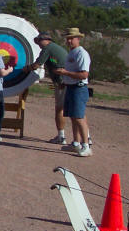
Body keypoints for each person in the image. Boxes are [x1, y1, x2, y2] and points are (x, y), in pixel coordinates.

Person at [55, 28, 93, 157]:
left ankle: (86, 145)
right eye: (68, 39)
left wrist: (65, 73)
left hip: (79, 88)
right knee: (73, 116)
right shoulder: (71, 53)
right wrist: (65, 81)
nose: (69, 41)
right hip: (70, 87)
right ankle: (76, 143)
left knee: (79, 117)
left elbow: (84, 74)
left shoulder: (81, 53)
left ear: (78, 39)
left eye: (72, 38)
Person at [25, 32, 68, 144]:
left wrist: (24, 69)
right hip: (66, 81)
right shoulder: (54, 47)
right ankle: (86, 138)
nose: (38, 44)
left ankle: (61, 137)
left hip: (62, 82)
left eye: (39, 41)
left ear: (45, 40)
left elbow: (36, 65)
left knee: (60, 109)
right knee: (72, 109)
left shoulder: (47, 49)